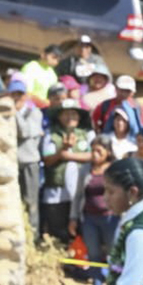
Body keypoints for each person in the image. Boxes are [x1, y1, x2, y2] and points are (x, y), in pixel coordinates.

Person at [41, 99, 94, 243]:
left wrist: (69, 155)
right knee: (59, 234)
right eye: (66, 114)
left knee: (81, 234)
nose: (70, 117)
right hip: (56, 193)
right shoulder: (51, 134)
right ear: (59, 116)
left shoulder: (87, 134)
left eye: (74, 114)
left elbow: (94, 155)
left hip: (82, 193)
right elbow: (47, 159)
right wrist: (61, 151)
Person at [69, 135, 117, 285]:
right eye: (92, 150)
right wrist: (73, 217)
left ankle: (114, 281)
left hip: (111, 218)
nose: (95, 154)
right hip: (90, 217)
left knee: (113, 250)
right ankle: (97, 280)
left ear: (108, 152)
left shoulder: (114, 170)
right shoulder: (85, 170)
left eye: (99, 150)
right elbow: (78, 195)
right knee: (93, 251)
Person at [10, 77, 45, 236]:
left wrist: (15, 112)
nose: (16, 98)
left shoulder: (34, 113)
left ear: (25, 96)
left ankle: (33, 236)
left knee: (31, 203)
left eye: (20, 94)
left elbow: (23, 131)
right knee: (14, 202)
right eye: (13, 94)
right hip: (14, 164)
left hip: (30, 163)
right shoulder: (9, 113)